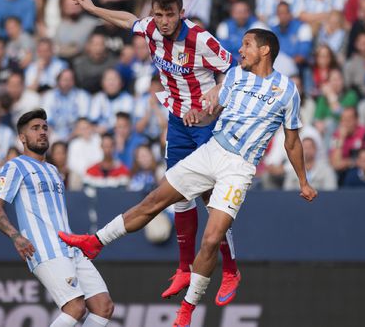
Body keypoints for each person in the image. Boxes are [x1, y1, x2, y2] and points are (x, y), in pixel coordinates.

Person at [59, 29, 318, 325]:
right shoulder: (235, 76)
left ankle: (187, 309)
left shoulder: (287, 90)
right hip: (212, 150)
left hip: (238, 168)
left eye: (247, 44)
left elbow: (292, 142)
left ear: (265, 50)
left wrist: (303, 182)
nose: (240, 49)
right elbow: (213, 113)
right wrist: (198, 115)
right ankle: (95, 242)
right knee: (154, 200)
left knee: (211, 238)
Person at [71, 0, 241, 301]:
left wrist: (216, 93)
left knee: (211, 202)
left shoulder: (199, 39)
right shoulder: (151, 28)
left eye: (169, 15)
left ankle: (230, 269)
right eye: (159, 15)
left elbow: (235, 69)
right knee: (179, 196)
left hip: (205, 127)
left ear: (181, 13)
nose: (163, 21)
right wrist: (93, 9)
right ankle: (184, 268)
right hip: (177, 124)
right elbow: (129, 21)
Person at [0, 109, 114, 327]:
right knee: (75, 307)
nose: (42, 132)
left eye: (45, 128)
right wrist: (16, 236)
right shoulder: (15, 166)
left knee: (104, 307)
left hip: (71, 247)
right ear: (22, 137)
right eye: (35, 128)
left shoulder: (54, 171)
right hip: (44, 249)